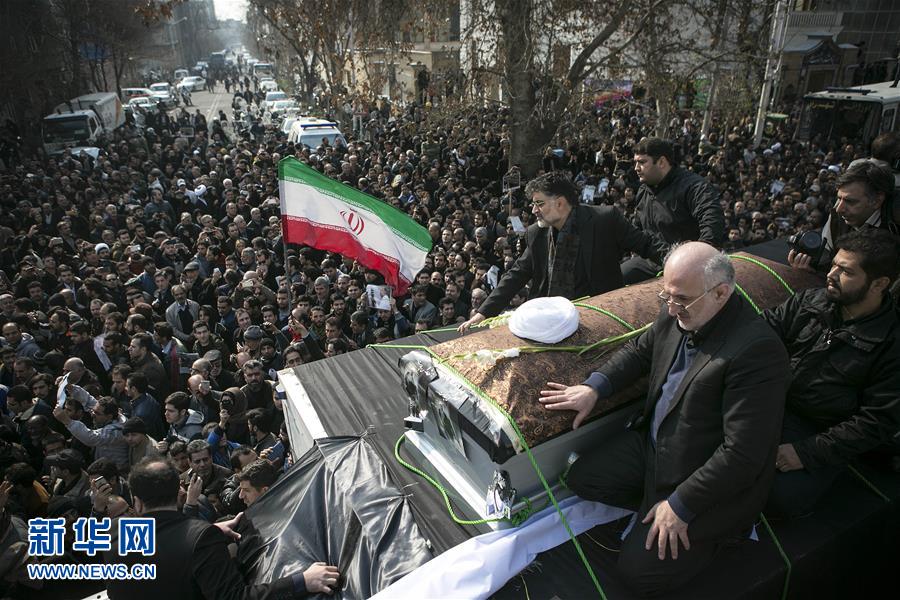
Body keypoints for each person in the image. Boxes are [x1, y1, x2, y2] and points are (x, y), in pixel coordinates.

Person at [539, 242, 790, 596]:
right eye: (666, 296)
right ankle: (652, 508)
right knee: (582, 478)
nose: (671, 308)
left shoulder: (756, 351)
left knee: (637, 575)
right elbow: (640, 352)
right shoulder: (678, 309)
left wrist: (681, 505)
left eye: (681, 299)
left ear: (720, 293)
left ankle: (712, 533)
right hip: (656, 448)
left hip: (702, 476)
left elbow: (742, 454)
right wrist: (595, 387)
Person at [763, 229, 900, 517]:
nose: (831, 274)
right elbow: (762, 333)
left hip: (821, 433)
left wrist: (805, 453)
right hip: (772, 402)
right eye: (834, 264)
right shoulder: (810, 301)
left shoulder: (891, 344)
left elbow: (876, 421)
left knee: (780, 497)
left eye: (846, 271)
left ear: (879, 284)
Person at [106, 457, 341, 599]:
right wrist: (302, 581)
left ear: (136, 502)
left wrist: (208, 531)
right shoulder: (200, 539)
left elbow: (163, 545)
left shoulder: (115, 534)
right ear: (179, 493)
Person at [460, 171, 662, 331]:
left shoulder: (604, 219)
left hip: (601, 317)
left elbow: (645, 244)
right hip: (551, 320)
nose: (534, 210)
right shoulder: (536, 233)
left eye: (539, 203)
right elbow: (517, 273)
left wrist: (675, 262)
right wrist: (484, 312)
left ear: (560, 202)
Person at [621, 138, 724, 284]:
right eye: (635, 162)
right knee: (614, 279)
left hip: (687, 264)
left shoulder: (694, 187)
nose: (636, 168)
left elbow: (712, 220)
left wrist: (698, 259)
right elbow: (637, 228)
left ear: (661, 162)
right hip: (652, 261)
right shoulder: (643, 190)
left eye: (642, 162)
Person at [789, 160, 898, 272]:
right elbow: (830, 264)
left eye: (850, 201)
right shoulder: (837, 219)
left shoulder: (895, 226)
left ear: (877, 200)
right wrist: (811, 272)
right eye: (839, 199)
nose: (839, 209)